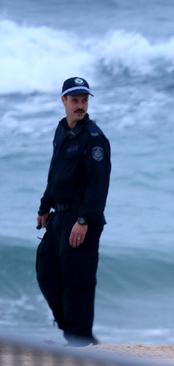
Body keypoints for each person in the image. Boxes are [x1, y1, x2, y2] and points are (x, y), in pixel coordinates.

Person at [35, 77, 111, 346]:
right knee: (46, 270)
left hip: (81, 217)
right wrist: (45, 205)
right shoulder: (61, 130)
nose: (80, 105)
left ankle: (79, 339)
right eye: (75, 100)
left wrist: (84, 220)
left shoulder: (95, 139)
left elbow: (99, 185)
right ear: (63, 101)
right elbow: (55, 171)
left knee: (78, 280)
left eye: (84, 100)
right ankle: (74, 331)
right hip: (59, 215)